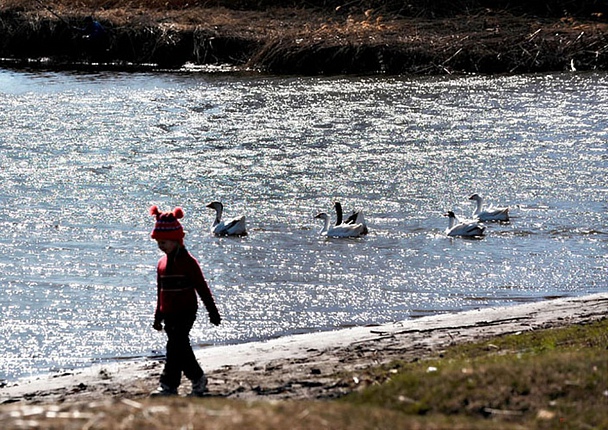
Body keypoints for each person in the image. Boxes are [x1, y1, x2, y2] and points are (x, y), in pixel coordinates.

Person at [148, 205, 222, 397]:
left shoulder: (189, 262)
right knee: (179, 347)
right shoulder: (161, 264)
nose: (161, 245)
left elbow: (202, 288)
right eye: (158, 242)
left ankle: (169, 385)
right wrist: (158, 316)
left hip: (186, 311)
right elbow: (160, 292)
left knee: (175, 345)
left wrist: (212, 311)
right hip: (169, 312)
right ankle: (196, 379)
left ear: (177, 240)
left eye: (165, 242)